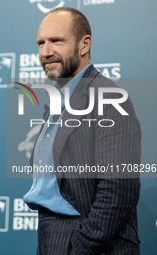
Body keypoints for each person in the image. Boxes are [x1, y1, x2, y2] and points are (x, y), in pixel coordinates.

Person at [22, 7, 141, 255]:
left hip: (89, 243)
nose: (45, 52)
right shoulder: (58, 100)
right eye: (40, 43)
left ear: (83, 45)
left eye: (56, 41)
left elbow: (119, 189)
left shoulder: (108, 98)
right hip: (50, 235)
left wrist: (80, 245)